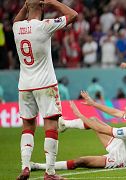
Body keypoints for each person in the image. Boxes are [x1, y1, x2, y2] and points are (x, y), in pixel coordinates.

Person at [13, 0, 77, 179]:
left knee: (27, 126)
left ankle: (25, 166)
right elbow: (73, 15)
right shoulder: (44, 26)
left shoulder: (17, 28)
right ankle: (49, 172)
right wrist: (54, 2)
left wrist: (27, 5)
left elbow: (16, 19)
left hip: (24, 85)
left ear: (26, 7)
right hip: (45, 84)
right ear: (41, 7)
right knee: (51, 125)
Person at [30, 91, 126, 171]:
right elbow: (115, 112)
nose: (124, 108)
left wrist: (79, 115)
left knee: (80, 161)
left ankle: (39, 166)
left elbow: (101, 129)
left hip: (122, 160)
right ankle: (65, 124)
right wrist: (93, 104)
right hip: (121, 145)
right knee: (92, 120)